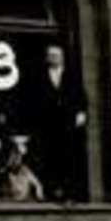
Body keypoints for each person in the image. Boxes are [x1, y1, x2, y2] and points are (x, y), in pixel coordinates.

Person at [28, 44, 88, 203]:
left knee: (69, 159)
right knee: (50, 159)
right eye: (50, 55)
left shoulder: (71, 75)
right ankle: (52, 193)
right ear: (47, 58)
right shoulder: (40, 76)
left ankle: (71, 194)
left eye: (56, 55)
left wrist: (81, 112)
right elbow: (34, 101)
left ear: (62, 58)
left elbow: (80, 95)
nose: (53, 58)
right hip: (48, 125)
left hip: (68, 124)